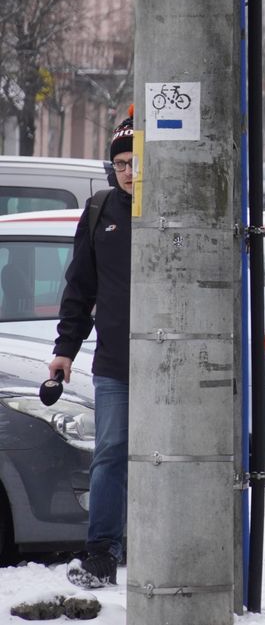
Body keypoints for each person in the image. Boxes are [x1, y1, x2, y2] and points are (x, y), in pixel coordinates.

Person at [51, 117, 134, 589]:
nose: (127, 171)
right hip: (114, 364)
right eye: (120, 163)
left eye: (135, 162)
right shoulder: (101, 211)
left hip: (172, 367)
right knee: (110, 454)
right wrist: (65, 349)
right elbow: (79, 287)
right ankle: (101, 552)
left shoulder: (172, 211)